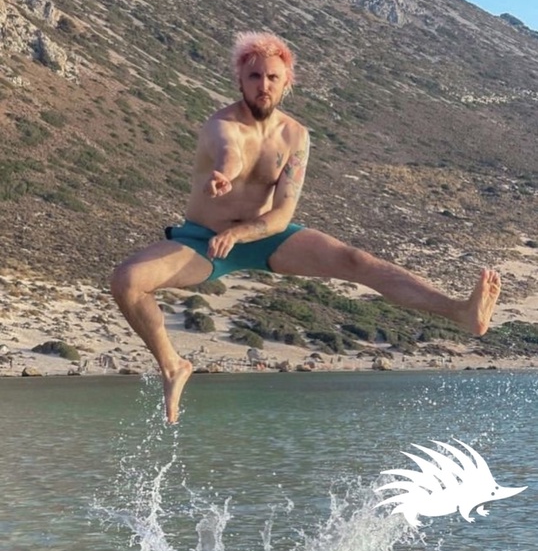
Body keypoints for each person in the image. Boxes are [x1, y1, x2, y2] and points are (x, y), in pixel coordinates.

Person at [111, 31, 501, 423]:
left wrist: (241, 233)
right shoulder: (222, 125)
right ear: (240, 81)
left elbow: (282, 213)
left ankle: (460, 311)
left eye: (272, 77)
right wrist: (225, 177)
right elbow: (231, 153)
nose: (263, 85)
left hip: (264, 235)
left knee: (356, 260)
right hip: (205, 241)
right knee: (127, 281)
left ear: (287, 83)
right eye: (254, 77)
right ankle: (173, 366)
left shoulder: (296, 136)